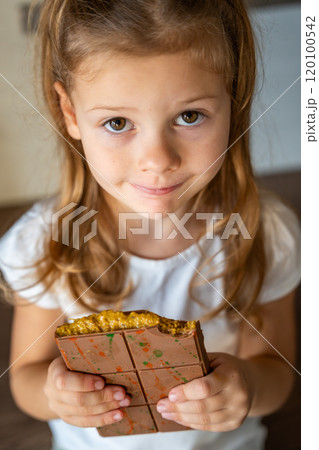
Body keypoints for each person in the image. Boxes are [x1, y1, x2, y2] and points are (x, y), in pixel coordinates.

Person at [0, 0, 300, 449]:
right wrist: (55, 394)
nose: (158, 161)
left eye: (189, 116)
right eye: (118, 122)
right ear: (69, 113)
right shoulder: (44, 242)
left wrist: (250, 386)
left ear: (232, 100)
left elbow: (278, 374)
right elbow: (25, 378)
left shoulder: (265, 232)